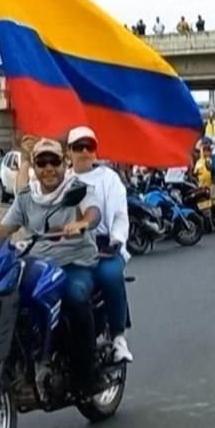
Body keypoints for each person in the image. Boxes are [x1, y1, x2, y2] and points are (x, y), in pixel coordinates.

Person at [0, 138, 103, 394]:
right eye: (42, 162)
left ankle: (87, 374)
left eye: (54, 161)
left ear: (64, 163)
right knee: (4, 296)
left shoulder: (79, 190)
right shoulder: (27, 197)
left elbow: (93, 213)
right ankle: (21, 357)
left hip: (74, 262)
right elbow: (5, 228)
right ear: (35, 166)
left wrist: (82, 223)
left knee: (74, 295)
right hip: (37, 264)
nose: (48, 168)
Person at [66, 127, 133, 363]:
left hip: (104, 247)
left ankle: (118, 338)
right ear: (69, 151)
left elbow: (120, 215)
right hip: (68, 249)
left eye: (89, 146)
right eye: (78, 147)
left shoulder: (109, 179)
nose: (84, 151)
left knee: (110, 276)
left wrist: (116, 240)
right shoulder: (62, 180)